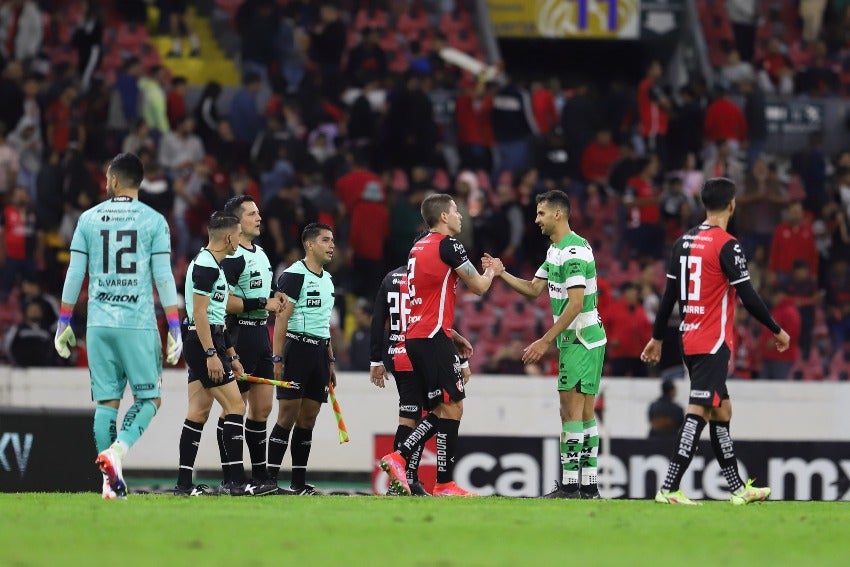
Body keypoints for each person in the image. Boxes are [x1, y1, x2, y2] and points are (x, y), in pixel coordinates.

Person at [640, 177, 791, 505]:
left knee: (722, 411)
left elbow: (669, 297)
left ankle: (738, 490)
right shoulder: (727, 244)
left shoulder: (682, 242)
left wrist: (656, 338)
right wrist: (776, 329)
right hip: (712, 341)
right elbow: (748, 296)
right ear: (732, 204)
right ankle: (669, 487)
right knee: (699, 411)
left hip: (687, 336)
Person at [54, 152, 183, 500]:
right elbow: (162, 277)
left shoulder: (88, 219)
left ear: (112, 179)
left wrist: (64, 320)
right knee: (150, 399)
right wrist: (175, 326)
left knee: (107, 402)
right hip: (137, 323)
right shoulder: (154, 221)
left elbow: (74, 274)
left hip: (98, 324)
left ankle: (109, 483)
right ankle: (118, 451)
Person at [483, 189, 607, 499]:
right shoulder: (556, 251)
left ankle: (569, 487)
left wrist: (544, 340)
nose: (536, 219)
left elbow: (576, 303)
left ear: (558, 214)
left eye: (541, 213)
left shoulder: (574, 252)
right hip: (585, 339)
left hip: (580, 339)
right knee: (585, 414)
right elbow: (533, 288)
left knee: (570, 414)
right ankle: (589, 486)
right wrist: (501, 273)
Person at [379, 193, 498, 497]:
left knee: (445, 408)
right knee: (453, 404)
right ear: (443, 216)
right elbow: (480, 287)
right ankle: (402, 458)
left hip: (418, 336)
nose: (460, 216)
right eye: (456, 211)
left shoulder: (416, 247)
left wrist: (452, 333)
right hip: (432, 337)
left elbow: (428, 297)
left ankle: (441, 481)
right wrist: (493, 270)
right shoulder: (449, 245)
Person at [369, 261, 473, 496]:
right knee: (444, 408)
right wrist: (461, 361)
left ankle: (407, 480)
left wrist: (375, 359)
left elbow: (378, 319)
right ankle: (406, 472)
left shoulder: (390, 278)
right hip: (424, 351)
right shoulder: (429, 276)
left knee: (409, 417)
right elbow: (437, 320)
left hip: (398, 354)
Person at [174, 212, 254, 497]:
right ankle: (235, 482)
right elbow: (199, 314)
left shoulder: (213, 266)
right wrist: (211, 354)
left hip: (210, 341)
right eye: (238, 236)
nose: (239, 242)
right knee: (236, 406)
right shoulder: (206, 267)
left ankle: (183, 485)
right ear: (228, 237)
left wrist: (230, 355)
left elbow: (216, 316)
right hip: (202, 341)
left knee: (198, 412)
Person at [219, 195, 285, 495]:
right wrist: (263, 302)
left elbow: (264, 292)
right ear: (236, 221)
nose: (259, 217)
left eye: (259, 212)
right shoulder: (230, 258)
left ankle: (262, 480)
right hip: (238, 336)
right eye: (251, 214)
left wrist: (276, 297)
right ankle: (232, 477)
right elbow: (225, 303)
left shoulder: (261, 253)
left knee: (262, 409)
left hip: (261, 335)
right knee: (234, 408)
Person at [267, 223, 338, 495]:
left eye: (332, 241)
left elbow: (324, 324)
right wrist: (277, 358)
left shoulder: (328, 280)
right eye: (325, 240)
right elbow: (281, 318)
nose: (331, 245)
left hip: (319, 354)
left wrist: (330, 361)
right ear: (309, 245)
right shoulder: (293, 275)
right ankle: (270, 481)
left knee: (309, 418)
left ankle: (298, 484)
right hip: (296, 350)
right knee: (287, 416)